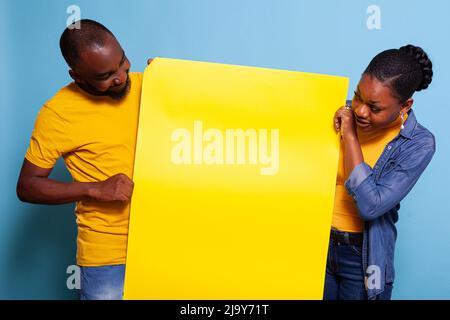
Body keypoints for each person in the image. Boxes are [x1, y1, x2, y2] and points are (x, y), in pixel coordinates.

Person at [16, 19, 151, 300]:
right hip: (108, 255)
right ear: (77, 76)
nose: (121, 77)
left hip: (167, 242)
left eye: (123, 62)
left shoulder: (153, 87)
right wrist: (95, 188)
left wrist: (178, 79)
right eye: (106, 76)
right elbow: (28, 186)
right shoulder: (58, 114)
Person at [324, 45, 436, 300]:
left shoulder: (418, 143)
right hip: (317, 246)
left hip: (362, 257)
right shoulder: (338, 113)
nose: (360, 110)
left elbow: (371, 205)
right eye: (358, 96)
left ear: (404, 105)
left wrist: (350, 137)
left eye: (374, 108)